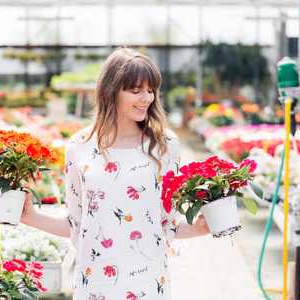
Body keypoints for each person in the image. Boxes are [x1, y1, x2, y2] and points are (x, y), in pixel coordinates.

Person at [21, 47, 210, 300]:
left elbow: (169, 220)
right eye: (135, 90)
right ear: (111, 91)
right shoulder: (79, 145)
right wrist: (30, 216)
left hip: (148, 280)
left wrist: (201, 227)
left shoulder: (164, 144)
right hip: (95, 279)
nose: (147, 98)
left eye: (150, 90)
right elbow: (77, 222)